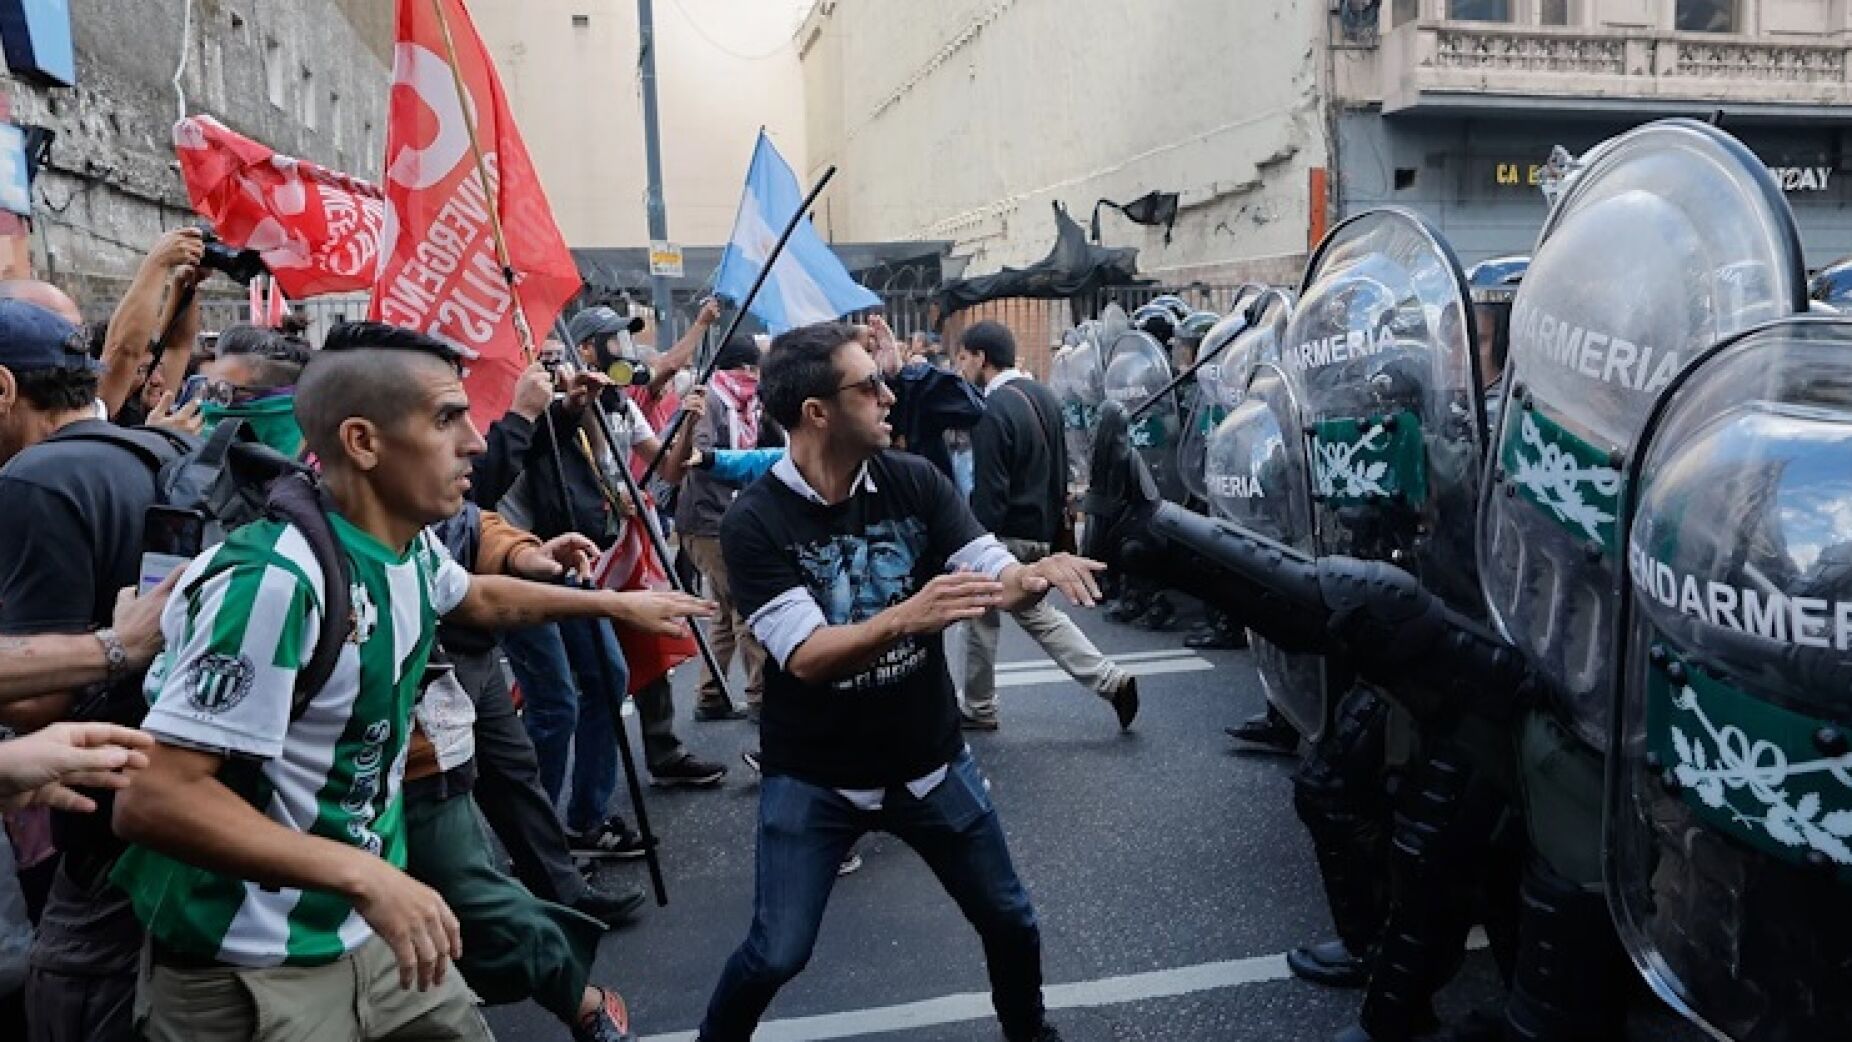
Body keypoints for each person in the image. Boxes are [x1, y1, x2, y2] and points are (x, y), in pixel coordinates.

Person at [109, 322, 713, 1042]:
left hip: (375, 937)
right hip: (247, 970)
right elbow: (154, 798)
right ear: (363, 442)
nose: (478, 442)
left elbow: (476, 597)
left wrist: (614, 605)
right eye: (446, 418)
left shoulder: (407, 546)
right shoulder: (274, 581)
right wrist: (369, 876)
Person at [698, 321, 1100, 1042]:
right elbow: (810, 656)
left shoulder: (912, 479)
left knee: (1009, 918)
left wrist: (1025, 577)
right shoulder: (755, 521)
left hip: (930, 763)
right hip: (815, 778)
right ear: (817, 412)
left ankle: (1029, 1033)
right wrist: (907, 616)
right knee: (775, 953)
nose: (889, 395)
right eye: (869, 384)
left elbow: (984, 561)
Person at [951, 321, 1138, 732]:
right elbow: (1060, 467)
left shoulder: (990, 408)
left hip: (1004, 536)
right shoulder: (1044, 396)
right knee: (1038, 616)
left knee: (980, 620)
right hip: (1041, 531)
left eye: (963, 358)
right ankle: (1111, 680)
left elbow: (991, 487)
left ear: (981, 358)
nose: (960, 367)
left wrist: (979, 540)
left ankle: (979, 707)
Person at [675, 336, 769, 721]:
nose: (756, 376)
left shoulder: (747, 405)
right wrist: (732, 470)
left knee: (725, 609)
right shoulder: (713, 401)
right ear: (743, 369)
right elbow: (698, 455)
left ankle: (710, 696)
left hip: (725, 517)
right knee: (748, 607)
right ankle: (763, 698)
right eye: (752, 368)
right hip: (709, 520)